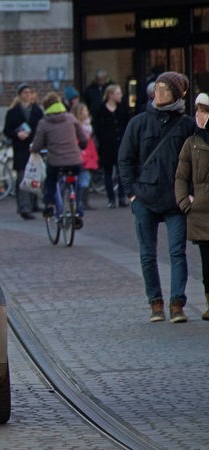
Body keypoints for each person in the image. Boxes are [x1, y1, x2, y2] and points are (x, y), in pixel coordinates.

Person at [118, 71, 196, 323]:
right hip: (144, 197)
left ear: (177, 93)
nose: (159, 92)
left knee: (177, 252)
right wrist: (131, 193)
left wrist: (191, 193)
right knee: (147, 253)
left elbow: (197, 161)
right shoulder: (139, 122)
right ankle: (155, 303)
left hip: (176, 198)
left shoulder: (187, 125)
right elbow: (125, 159)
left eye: (165, 88)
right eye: (157, 88)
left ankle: (177, 303)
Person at [30, 92, 88, 226]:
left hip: (56, 162)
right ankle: (77, 210)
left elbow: (37, 145)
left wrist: (34, 149)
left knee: (50, 180)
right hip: (75, 161)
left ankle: (49, 205)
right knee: (76, 181)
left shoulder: (44, 122)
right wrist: (80, 147)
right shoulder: (71, 118)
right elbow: (84, 139)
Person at [175, 92, 209, 321]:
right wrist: (184, 201)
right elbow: (180, 175)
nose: (200, 115)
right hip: (200, 213)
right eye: (197, 111)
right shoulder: (192, 142)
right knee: (207, 262)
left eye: (204, 111)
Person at [4, 83, 44, 220]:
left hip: (35, 147)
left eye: (29, 92)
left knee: (35, 175)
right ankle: (24, 207)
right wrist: (17, 134)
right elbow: (6, 130)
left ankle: (34, 203)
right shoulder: (13, 112)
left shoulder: (37, 111)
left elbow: (42, 128)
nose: (27, 95)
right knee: (22, 177)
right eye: (25, 92)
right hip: (20, 148)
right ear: (20, 95)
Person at [92, 84, 131, 208]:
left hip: (121, 144)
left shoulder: (122, 108)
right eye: (118, 93)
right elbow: (97, 127)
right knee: (107, 172)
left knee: (121, 172)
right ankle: (111, 198)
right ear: (111, 95)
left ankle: (121, 197)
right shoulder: (100, 110)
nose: (120, 96)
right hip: (107, 146)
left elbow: (127, 124)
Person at [71, 103, 98, 210]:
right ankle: (79, 201)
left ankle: (83, 201)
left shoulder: (88, 126)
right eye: (84, 111)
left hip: (87, 154)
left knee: (85, 179)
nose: (87, 113)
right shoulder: (75, 127)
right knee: (81, 179)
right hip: (80, 155)